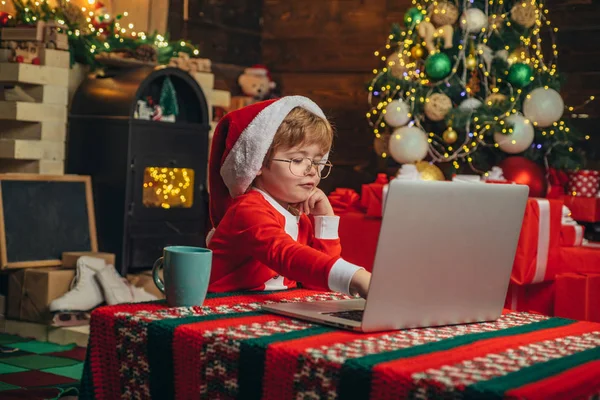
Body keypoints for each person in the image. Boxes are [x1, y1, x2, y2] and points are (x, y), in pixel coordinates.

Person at [207, 96, 371, 298]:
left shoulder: (299, 216)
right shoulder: (247, 210)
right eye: (298, 160)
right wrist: (355, 277)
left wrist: (325, 218)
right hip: (223, 306)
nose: (312, 171)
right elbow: (287, 255)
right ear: (257, 164)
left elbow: (318, 283)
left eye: (317, 162)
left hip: (269, 307)